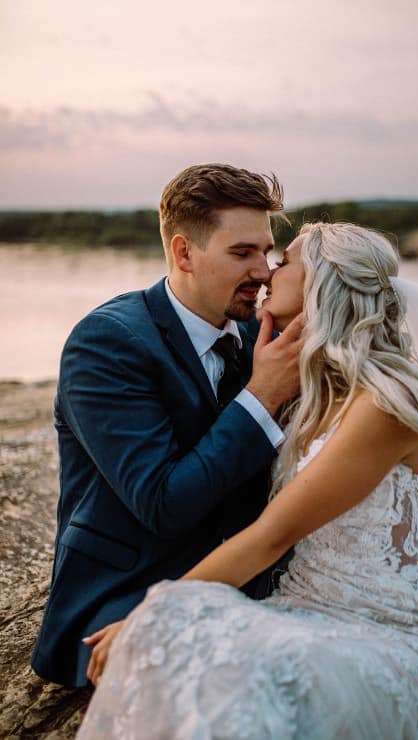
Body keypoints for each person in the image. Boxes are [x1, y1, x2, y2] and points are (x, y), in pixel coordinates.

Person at [79, 223, 418, 739]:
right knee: (186, 643)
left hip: (395, 640)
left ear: (321, 286)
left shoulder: (382, 406)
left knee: (188, 640)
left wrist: (147, 612)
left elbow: (271, 536)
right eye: (252, 254)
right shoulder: (308, 391)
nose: (266, 272)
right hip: (309, 612)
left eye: (281, 261)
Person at [31, 163, 303, 687]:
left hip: (254, 586)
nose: (264, 272)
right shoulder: (107, 343)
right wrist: (262, 396)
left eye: (266, 253)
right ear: (183, 253)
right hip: (126, 594)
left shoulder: (258, 337)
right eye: (242, 252)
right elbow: (162, 502)